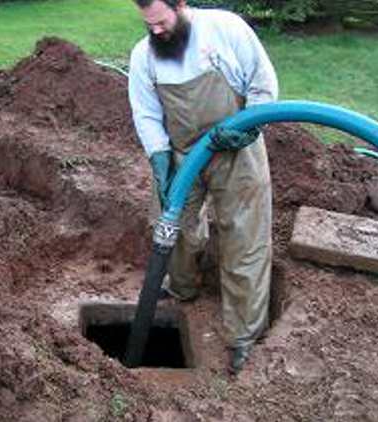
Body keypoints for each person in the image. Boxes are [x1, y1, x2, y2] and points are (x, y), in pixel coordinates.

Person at [128, 0, 278, 375]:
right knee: (172, 227)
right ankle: (182, 288)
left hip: (237, 151)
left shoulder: (226, 30)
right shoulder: (144, 55)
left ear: (181, 5)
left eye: (161, 22)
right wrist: (160, 159)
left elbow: (263, 86)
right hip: (182, 156)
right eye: (149, 26)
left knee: (245, 238)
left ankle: (243, 335)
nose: (156, 32)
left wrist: (246, 129)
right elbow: (145, 113)